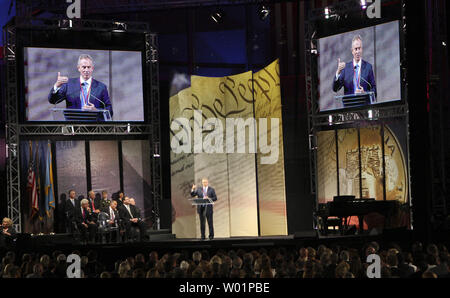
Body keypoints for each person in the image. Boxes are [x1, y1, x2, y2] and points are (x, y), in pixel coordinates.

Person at [48, 54, 113, 118]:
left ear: (92, 68)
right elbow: (52, 100)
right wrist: (57, 85)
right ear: (79, 68)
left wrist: (96, 111)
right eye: (84, 67)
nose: (86, 70)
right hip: (73, 125)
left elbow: (110, 111)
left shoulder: (101, 87)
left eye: (89, 67)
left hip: (94, 126)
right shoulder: (69, 85)